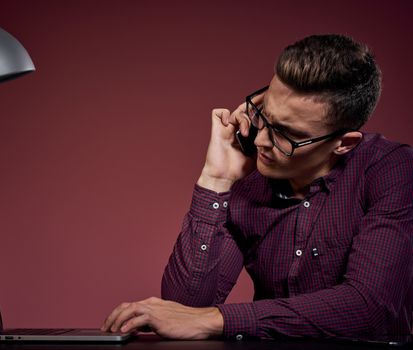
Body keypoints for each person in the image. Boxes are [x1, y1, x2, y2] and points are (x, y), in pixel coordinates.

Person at [101, 34, 413, 340]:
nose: (261, 141)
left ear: (343, 144)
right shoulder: (250, 183)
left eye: (286, 134)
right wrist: (216, 180)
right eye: (264, 116)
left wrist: (218, 319)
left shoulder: (392, 169)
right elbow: (184, 311)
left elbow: (370, 307)